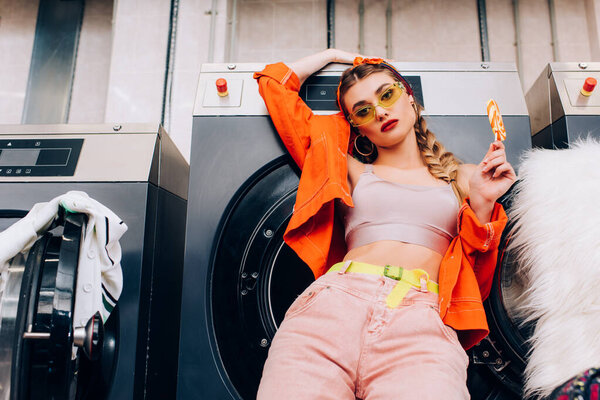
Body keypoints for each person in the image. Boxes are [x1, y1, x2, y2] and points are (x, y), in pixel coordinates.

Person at [252, 48, 516, 399]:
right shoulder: (348, 169)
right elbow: (274, 85)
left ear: (409, 97)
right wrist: (335, 54)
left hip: (420, 325)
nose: (380, 111)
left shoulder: (465, 178)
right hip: (331, 310)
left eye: (387, 94)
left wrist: (483, 204)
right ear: (357, 128)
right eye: (363, 110)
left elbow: (479, 275)